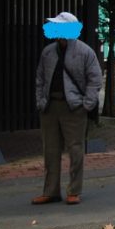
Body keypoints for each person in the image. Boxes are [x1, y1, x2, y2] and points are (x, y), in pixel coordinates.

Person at [32, 11, 102, 205]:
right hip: (50, 106)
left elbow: (95, 80)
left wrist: (87, 104)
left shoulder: (85, 51)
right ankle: (51, 191)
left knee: (76, 149)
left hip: (74, 107)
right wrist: (40, 101)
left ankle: (74, 190)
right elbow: (40, 78)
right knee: (50, 150)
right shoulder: (48, 52)